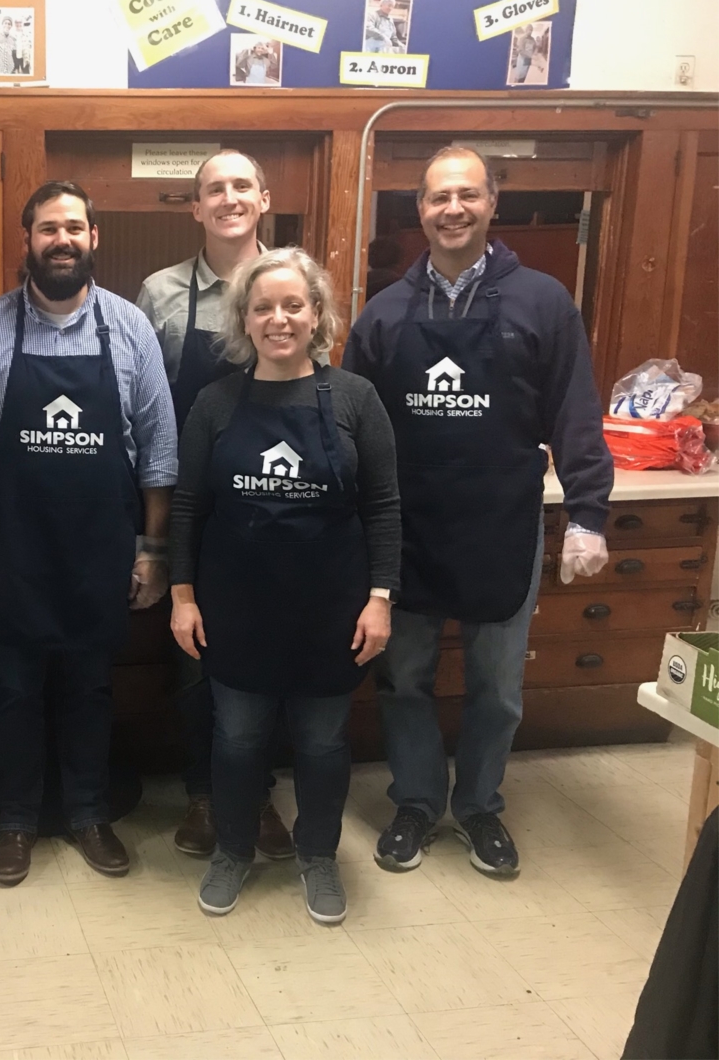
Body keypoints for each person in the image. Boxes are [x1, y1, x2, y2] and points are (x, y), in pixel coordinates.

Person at [344, 146, 613, 877]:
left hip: (502, 522)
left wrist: (588, 511)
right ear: (419, 210)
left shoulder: (544, 302)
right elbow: (350, 427)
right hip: (406, 530)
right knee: (403, 678)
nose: (452, 209)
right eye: (437, 197)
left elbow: (576, 412)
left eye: (466, 195)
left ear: (492, 202)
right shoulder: (385, 312)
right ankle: (416, 802)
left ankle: (482, 806)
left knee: (498, 684)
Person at [0, 181, 178, 887]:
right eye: (48, 228)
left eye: (74, 226)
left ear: (93, 237)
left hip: (100, 550)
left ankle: (87, 814)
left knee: (88, 691)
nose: (62, 239)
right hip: (14, 551)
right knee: (12, 690)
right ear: (28, 240)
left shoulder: (130, 328)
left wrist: (153, 550)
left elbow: (159, 453)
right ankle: (14, 821)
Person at [170, 248, 400, 923]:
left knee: (325, 745)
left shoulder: (356, 399)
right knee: (237, 741)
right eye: (263, 307)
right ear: (244, 318)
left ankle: (318, 857)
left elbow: (383, 506)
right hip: (235, 611)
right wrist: (182, 598)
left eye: (292, 305)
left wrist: (380, 598)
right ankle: (232, 852)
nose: (279, 318)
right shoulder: (216, 403)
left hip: (331, 612)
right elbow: (187, 506)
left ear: (318, 314)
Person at [136, 150, 294, 865]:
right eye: (213, 190)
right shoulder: (159, 292)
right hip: (193, 504)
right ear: (195, 208)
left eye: (241, 186)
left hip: (281, 506)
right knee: (196, 662)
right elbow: (142, 407)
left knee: (269, 658)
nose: (228, 198)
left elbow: (320, 388)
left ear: (263, 198)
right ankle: (204, 796)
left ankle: (258, 799)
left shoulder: (293, 281)